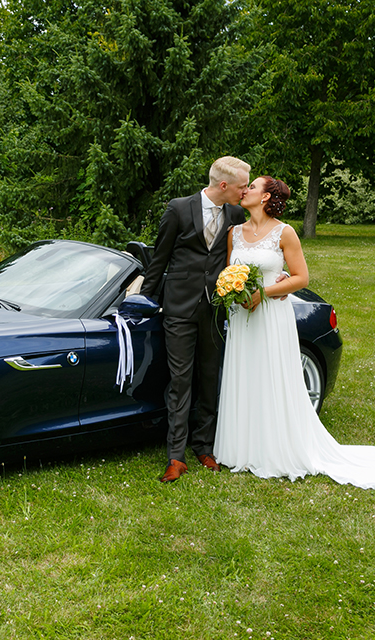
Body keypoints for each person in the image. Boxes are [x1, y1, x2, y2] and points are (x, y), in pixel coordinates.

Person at [214, 176, 375, 488]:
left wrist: (266, 292)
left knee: (273, 376)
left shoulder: (284, 233)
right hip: (243, 318)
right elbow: (229, 271)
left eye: (253, 187)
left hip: (272, 317)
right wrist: (237, 294)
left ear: (266, 198)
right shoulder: (235, 233)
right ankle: (241, 447)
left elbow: (300, 277)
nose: (245, 191)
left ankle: (276, 448)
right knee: (245, 375)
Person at [140, 156, 251, 483]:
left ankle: (205, 447)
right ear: (223, 185)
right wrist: (145, 301)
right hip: (179, 309)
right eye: (242, 185)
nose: (245, 191)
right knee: (180, 381)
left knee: (210, 379)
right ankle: (176, 457)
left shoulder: (235, 212)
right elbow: (158, 260)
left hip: (215, 309)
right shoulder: (178, 209)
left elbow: (242, 253)